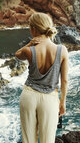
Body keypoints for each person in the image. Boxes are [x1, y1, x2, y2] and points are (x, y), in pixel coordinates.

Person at [15, 12, 69, 143]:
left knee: (28, 140)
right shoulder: (62, 50)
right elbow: (64, 81)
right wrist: (62, 102)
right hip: (50, 99)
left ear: (33, 29)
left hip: (29, 96)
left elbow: (17, 55)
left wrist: (29, 44)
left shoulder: (29, 51)